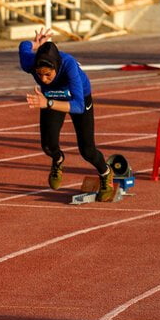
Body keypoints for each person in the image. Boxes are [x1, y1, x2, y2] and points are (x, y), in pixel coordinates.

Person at [20, 28, 116, 202]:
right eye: (39, 74)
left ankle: (106, 173)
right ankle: (58, 159)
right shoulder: (30, 62)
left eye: (48, 75)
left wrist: (47, 103)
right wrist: (36, 44)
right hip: (51, 98)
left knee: (87, 150)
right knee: (48, 146)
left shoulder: (69, 66)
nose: (43, 79)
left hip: (78, 98)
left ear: (57, 67)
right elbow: (23, 46)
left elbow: (78, 106)